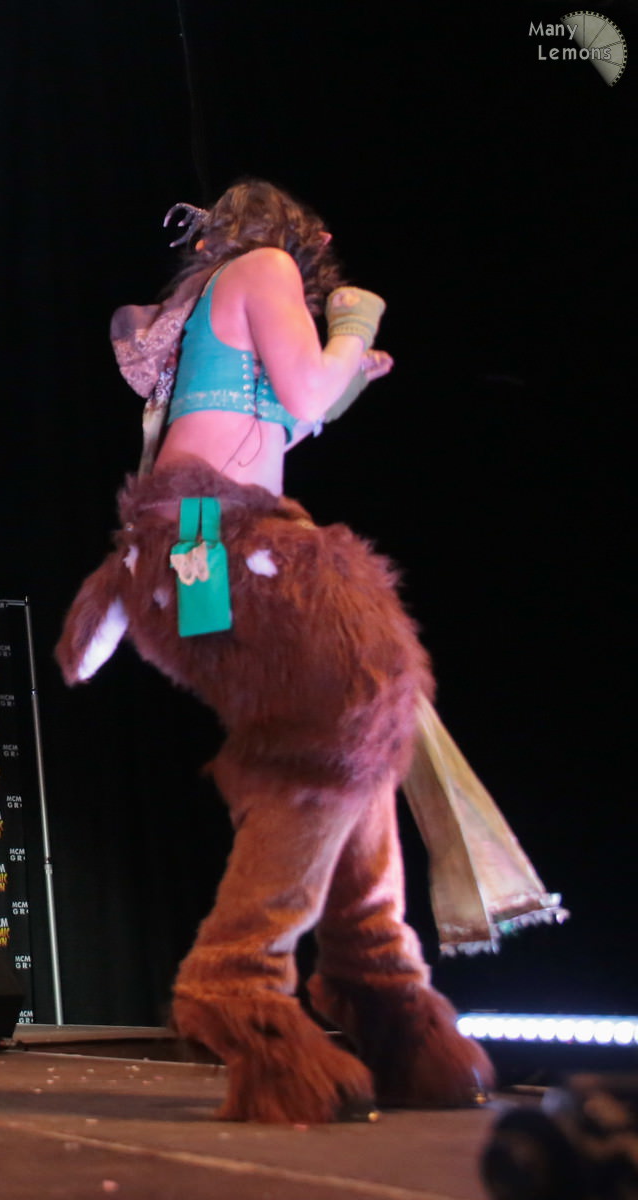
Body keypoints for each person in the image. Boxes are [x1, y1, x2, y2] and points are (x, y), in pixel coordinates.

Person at [57, 181, 498, 1124]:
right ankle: (238, 982)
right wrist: (349, 331)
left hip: (193, 544)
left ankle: (378, 984)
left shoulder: (219, 301)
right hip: (215, 536)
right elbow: (303, 394)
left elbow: (285, 417)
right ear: (305, 243)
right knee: (339, 719)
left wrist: (348, 373)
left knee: (345, 730)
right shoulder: (263, 268)